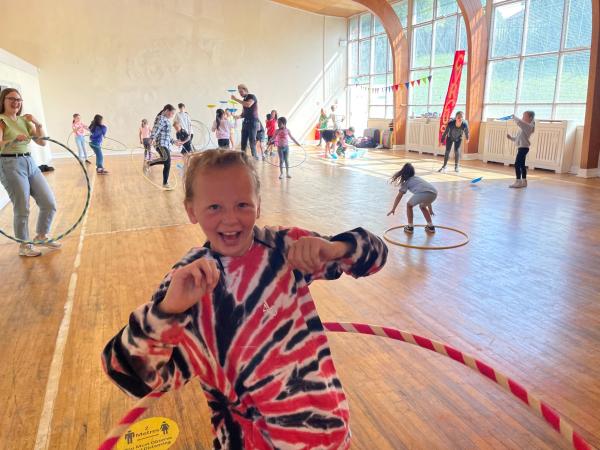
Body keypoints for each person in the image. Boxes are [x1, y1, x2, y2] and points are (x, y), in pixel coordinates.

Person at [102, 149, 388, 450]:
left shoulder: (284, 248)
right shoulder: (191, 284)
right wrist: (166, 310)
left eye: (242, 204)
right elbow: (131, 377)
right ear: (191, 210)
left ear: (259, 204)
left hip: (329, 431)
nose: (230, 218)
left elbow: (376, 257)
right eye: (214, 207)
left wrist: (337, 248)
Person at [0, 88, 60, 257]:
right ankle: (24, 245)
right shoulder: (1, 120)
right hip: (9, 163)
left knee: (49, 202)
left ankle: (41, 235)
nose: (16, 102)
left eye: (19, 99)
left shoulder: (24, 121)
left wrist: (38, 124)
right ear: (3, 100)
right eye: (11, 99)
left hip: (30, 162)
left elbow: (41, 143)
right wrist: (12, 139)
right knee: (22, 207)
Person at [388, 163, 437, 234]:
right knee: (422, 206)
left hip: (425, 193)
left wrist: (393, 208)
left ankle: (410, 227)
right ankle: (431, 227)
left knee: (409, 205)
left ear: (403, 173)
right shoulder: (417, 178)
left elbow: (399, 197)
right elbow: (428, 194)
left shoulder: (406, 183)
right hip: (434, 193)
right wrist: (430, 210)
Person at [146, 104, 180, 190]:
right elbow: (156, 129)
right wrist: (152, 138)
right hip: (161, 144)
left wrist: (173, 141)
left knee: (167, 163)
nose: (172, 115)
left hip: (165, 143)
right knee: (166, 159)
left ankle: (165, 183)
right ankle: (149, 163)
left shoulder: (166, 120)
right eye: (171, 113)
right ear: (167, 111)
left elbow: (166, 135)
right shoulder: (161, 118)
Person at [507, 111, 535, 188]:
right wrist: (511, 138)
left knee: (517, 164)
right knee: (522, 165)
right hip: (522, 148)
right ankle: (524, 181)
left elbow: (519, 122)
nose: (522, 118)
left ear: (530, 118)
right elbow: (517, 138)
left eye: (524, 116)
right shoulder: (524, 128)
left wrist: (513, 117)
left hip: (523, 148)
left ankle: (518, 181)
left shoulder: (529, 126)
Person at [230, 84, 258, 159]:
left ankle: (255, 159)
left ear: (245, 90)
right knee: (243, 143)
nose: (240, 93)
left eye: (241, 91)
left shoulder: (252, 96)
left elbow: (248, 105)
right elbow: (244, 113)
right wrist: (238, 117)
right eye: (239, 92)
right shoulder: (244, 100)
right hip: (245, 123)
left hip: (253, 123)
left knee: (252, 143)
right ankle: (243, 160)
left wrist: (236, 99)